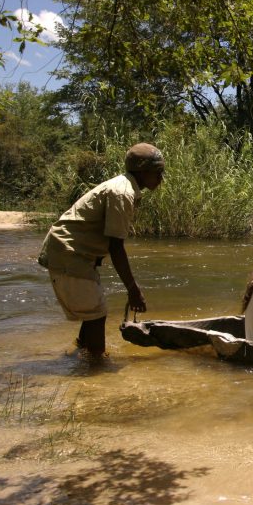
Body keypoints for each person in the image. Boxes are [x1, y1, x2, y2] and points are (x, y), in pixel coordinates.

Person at [39, 143, 165, 358]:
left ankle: (82, 354)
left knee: (95, 312)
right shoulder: (122, 193)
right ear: (143, 172)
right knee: (97, 315)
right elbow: (116, 247)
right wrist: (133, 289)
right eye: (158, 172)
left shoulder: (124, 187)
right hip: (70, 253)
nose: (161, 178)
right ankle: (97, 366)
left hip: (72, 253)